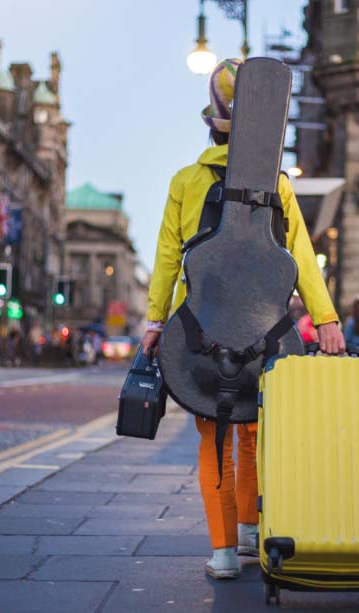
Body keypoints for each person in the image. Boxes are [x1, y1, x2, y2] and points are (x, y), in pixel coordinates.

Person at [139, 59, 345, 580]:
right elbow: (300, 256)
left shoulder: (185, 182)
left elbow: (167, 259)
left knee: (214, 438)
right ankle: (252, 531)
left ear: (212, 127)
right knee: (253, 433)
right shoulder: (279, 185)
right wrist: (325, 318)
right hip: (264, 332)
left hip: (199, 331)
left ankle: (223, 553)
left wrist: (156, 322)